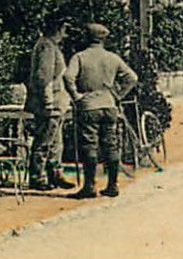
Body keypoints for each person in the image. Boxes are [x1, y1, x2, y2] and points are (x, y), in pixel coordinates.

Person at [63, 23, 138, 199]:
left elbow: (68, 77)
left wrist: (76, 96)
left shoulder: (80, 57)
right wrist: (118, 95)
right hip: (109, 105)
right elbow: (132, 78)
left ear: (87, 38)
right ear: (103, 39)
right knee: (111, 144)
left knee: (89, 145)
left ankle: (89, 187)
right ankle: (112, 185)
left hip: (89, 106)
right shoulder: (112, 58)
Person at [25, 14, 74, 191]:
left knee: (56, 142)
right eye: (64, 28)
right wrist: (48, 103)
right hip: (49, 104)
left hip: (57, 104)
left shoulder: (51, 46)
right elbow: (43, 77)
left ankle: (55, 173)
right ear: (57, 29)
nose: (65, 33)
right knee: (44, 140)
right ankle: (37, 176)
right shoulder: (46, 46)